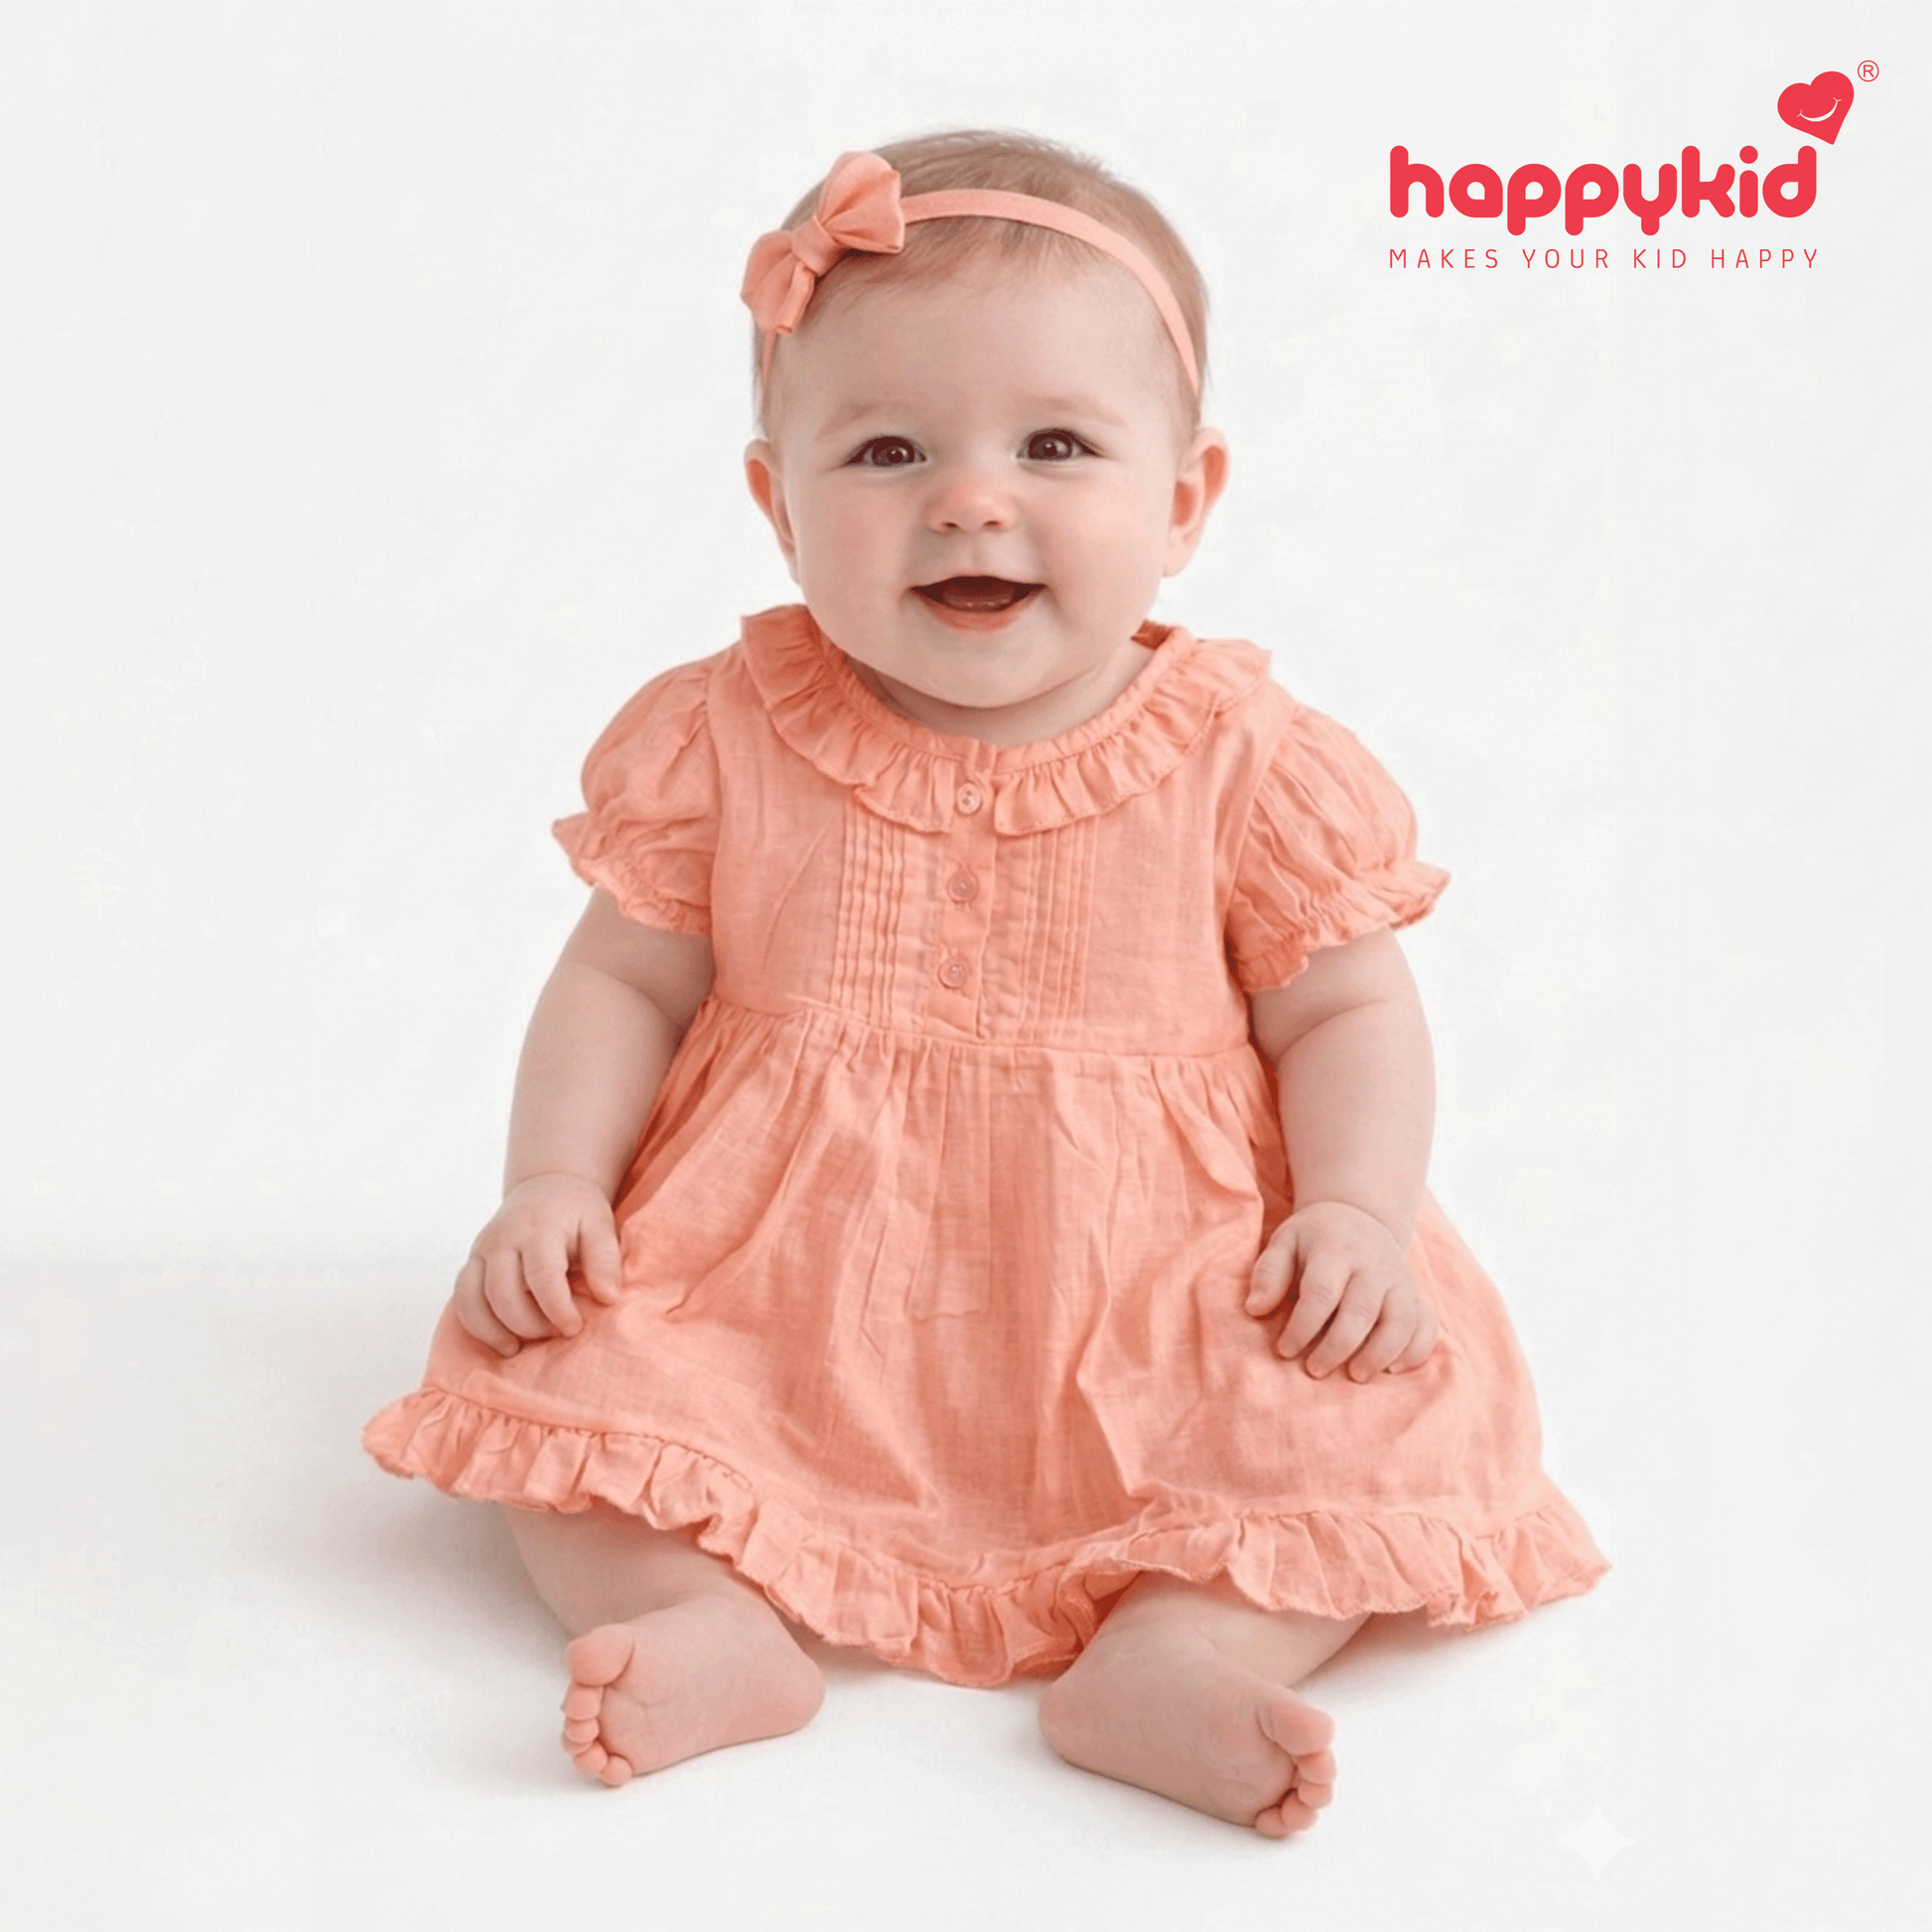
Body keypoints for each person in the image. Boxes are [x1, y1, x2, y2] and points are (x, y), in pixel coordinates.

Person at [363, 130, 1606, 1839]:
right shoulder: (721, 733)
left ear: (1183, 499)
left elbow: (1345, 1010)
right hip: (784, 1284)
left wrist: (1355, 1217)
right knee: (561, 1380)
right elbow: (622, 985)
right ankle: (700, 1613)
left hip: (1159, 1279)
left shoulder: (1247, 759)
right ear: (775, 502)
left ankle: (1180, 1644)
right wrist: (553, 1185)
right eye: (886, 449)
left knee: (1358, 1417)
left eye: (1055, 445)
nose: (967, 498)